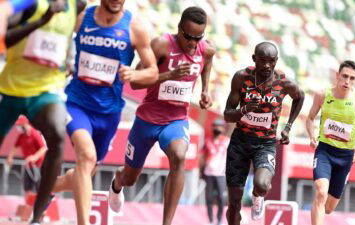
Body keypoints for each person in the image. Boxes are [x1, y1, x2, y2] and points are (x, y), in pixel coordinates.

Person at [49, 0, 158, 224]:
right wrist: (64, 63)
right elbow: (57, 42)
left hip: (109, 112)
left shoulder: (135, 27)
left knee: (86, 171)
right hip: (77, 103)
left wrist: (135, 76)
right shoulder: (82, 17)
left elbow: (153, 72)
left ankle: (50, 186)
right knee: (86, 157)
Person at [108, 6, 216, 225]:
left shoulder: (206, 50)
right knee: (130, 178)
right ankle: (116, 185)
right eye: (189, 38)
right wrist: (169, 75)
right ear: (179, 29)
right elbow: (136, 81)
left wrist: (205, 90)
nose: (193, 44)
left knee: (179, 156)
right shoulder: (161, 45)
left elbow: (207, 64)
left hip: (176, 120)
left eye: (198, 38)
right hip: (147, 119)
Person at [0, 0, 85, 224]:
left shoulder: (77, 5)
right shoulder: (32, 4)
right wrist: (42, 20)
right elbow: (6, 39)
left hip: (46, 89)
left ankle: (37, 218)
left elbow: (70, 36)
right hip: (10, 88)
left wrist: (69, 59)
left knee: (58, 134)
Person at [223, 41, 305, 224]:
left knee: (261, 185)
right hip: (240, 142)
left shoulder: (283, 82)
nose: (267, 65)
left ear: (276, 61)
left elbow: (300, 97)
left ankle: (257, 197)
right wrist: (243, 110)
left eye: (271, 61)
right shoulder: (241, 78)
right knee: (234, 202)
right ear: (254, 59)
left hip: (265, 143)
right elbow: (227, 115)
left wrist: (288, 126)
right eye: (262, 60)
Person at [305, 60, 355, 225]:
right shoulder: (322, 95)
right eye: (344, 76)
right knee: (321, 192)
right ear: (337, 75)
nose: (347, 81)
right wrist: (312, 135)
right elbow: (309, 119)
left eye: (352, 78)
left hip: (346, 157)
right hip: (324, 151)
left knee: (328, 208)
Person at [6, 116, 47, 204]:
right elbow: (15, 147)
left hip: (38, 166)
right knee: (27, 187)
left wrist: (34, 157)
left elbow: (43, 148)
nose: (18, 127)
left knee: (39, 187)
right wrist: (10, 157)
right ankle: (27, 206)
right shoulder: (21, 136)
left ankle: (41, 208)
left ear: (25, 124)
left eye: (19, 125)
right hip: (28, 166)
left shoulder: (35, 134)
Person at [200, 119, 229, 225]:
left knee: (221, 197)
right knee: (208, 198)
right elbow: (202, 156)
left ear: (223, 129)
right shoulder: (207, 141)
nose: (217, 128)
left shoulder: (227, 141)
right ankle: (211, 220)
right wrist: (201, 171)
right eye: (215, 126)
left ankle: (220, 219)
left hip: (221, 174)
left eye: (219, 126)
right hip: (209, 173)